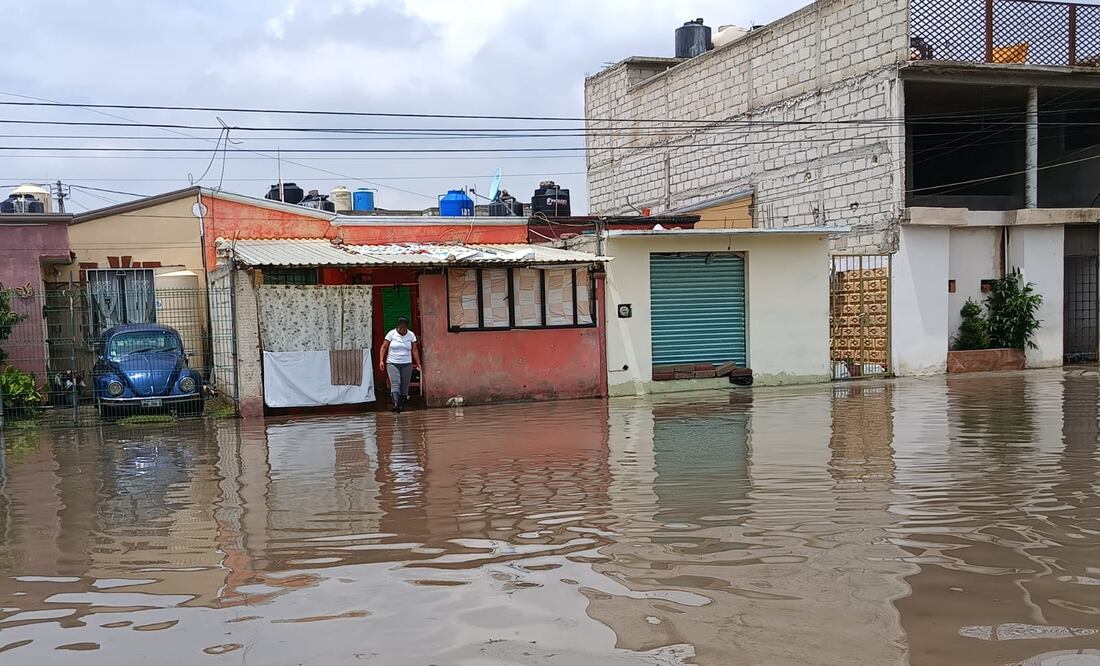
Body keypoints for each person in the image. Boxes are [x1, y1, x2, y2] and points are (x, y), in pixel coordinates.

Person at [378, 316, 420, 413]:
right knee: (395, 383)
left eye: (404, 327)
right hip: (392, 363)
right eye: (400, 327)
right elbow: (384, 347)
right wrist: (381, 361)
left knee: (405, 385)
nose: (401, 330)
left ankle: (402, 404)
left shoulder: (411, 335)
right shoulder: (391, 334)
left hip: (407, 364)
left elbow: (414, 350)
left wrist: (418, 363)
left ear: (407, 327)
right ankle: (396, 405)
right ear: (397, 327)